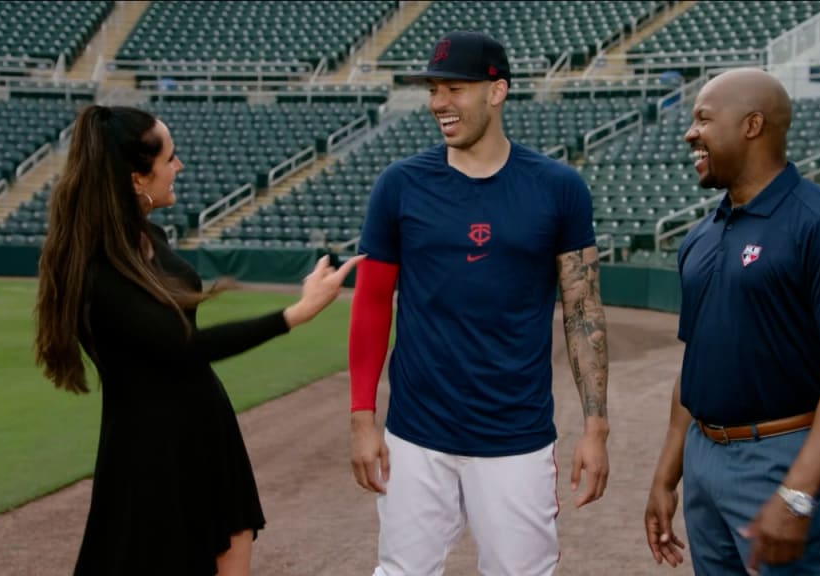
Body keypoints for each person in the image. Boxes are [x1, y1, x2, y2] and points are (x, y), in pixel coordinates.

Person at [33, 105, 362, 576]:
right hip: (150, 450)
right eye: (169, 158)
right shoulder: (98, 269)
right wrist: (298, 312)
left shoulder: (150, 238)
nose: (179, 167)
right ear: (135, 178)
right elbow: (185, 348)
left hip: (203, 429)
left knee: (231, 539)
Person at [347, 30, 610, 575]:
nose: (439, 102)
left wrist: (595, 427)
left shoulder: (559, 188)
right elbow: (371, 303)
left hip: (515, 435)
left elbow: (583, 312)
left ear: (497, 92)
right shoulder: (399, 186)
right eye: (434, 89)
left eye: (455, 88)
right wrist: (362, 419)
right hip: (417, 434)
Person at [643, 68, 820, 574]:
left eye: (704, 120)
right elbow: (696, 364)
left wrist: (797, 493)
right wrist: (667, 476)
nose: (691, 133)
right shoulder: (700, 236)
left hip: (784, 454)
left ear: (752, 125)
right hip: (705, 452)